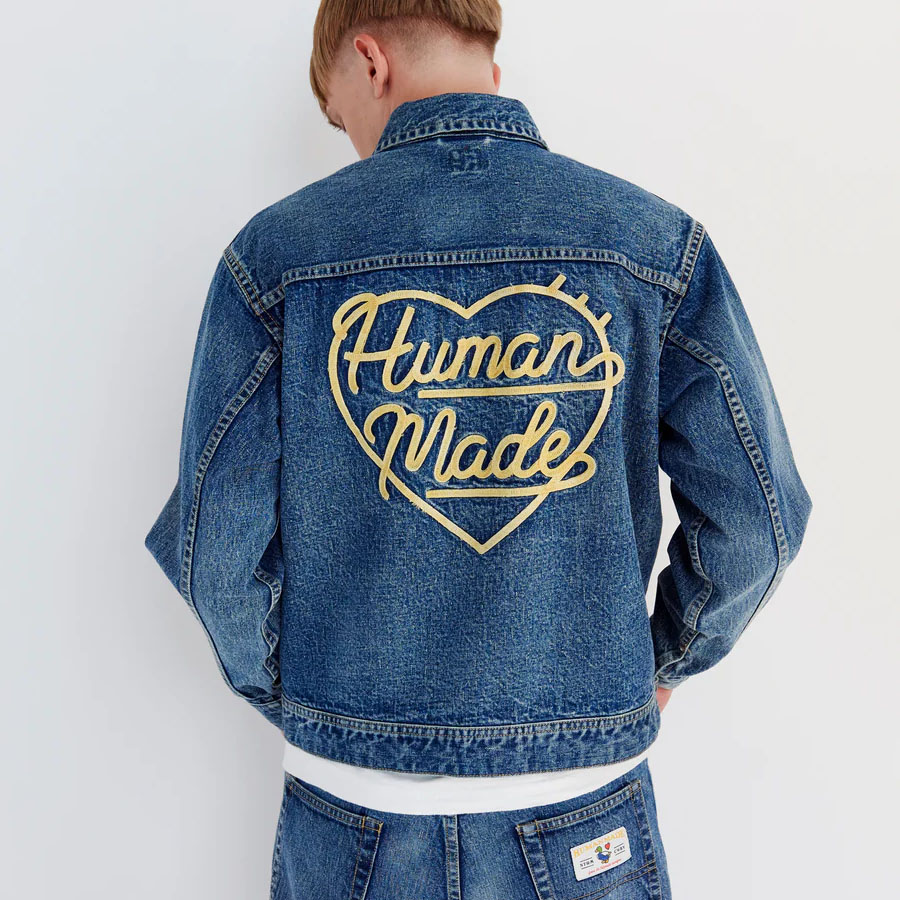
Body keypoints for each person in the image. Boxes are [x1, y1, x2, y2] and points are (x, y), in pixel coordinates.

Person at [144, 2, 812, 897]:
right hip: (584, 808)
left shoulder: (274, 259)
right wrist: (660, 662)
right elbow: (756, 520)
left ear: (369, 60)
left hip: (353, 806)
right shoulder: (652, 245)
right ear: (488, 65)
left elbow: (214, 553)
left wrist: (307, 699)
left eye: (338, 116)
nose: (349, 142)